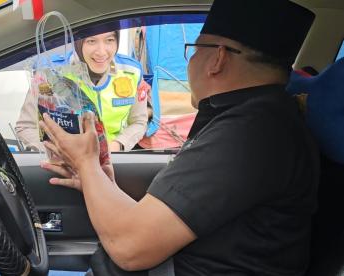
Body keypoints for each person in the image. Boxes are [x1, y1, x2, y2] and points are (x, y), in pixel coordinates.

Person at [39, 0, 320, 275]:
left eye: (194, 50)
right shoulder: (252, 117)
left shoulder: (251, 133)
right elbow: (160, 222)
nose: (190, 62)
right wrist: (99, 182)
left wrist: (87, 163)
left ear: (218, 59)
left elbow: (130, 248)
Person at [15, 30, 149, 152]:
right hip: (64, 164)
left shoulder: (132, 71)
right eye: (91, 41)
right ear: (78, 42)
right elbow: (26, 127)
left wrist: (117, 145)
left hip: (112, 160)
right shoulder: (50, 73)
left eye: (109, 40)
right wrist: (56, 151)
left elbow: (139, 122)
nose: (102, 52)